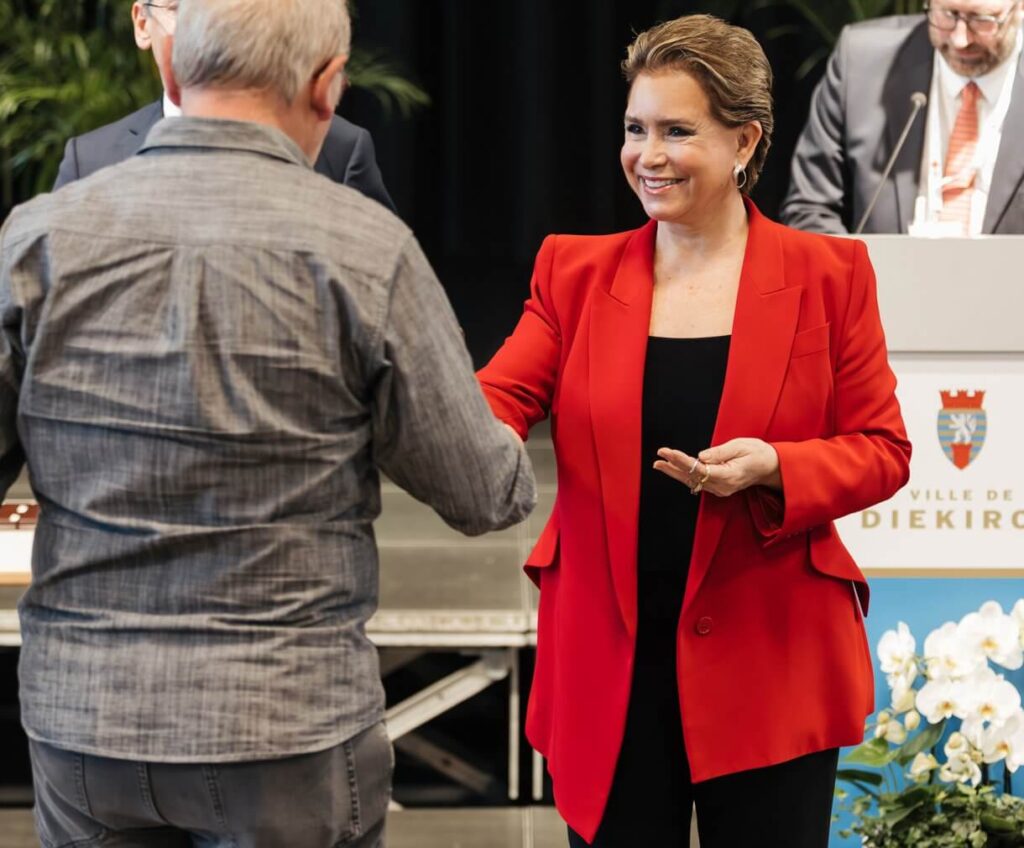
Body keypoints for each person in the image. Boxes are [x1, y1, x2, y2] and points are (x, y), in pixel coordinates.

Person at [0, 0, 535, 845]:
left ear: (175, 69)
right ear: (327, 88)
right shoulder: (367, 250)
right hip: (284, 726)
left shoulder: (35, 239)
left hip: (83, 724)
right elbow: (483, 493)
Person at [478, 14, 911, 848]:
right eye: (636, 129)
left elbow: (882, 451)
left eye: (678, 131)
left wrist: (776, 465)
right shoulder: (571, 272)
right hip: (611, 664)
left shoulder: (831, 276)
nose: (648, 155)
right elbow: (493, 402)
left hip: (772, 660)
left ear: (745, 140)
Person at [53, 0, 396, 212]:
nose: (201, 31)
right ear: (143, 24)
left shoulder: (342, 147)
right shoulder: (89, 159)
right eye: (181, 9)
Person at [781, 0, 1024, 235]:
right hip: (879, 274)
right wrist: (858, 274)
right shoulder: (860, 61)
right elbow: (810, 209)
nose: (960, 39)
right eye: (947, 14)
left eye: (982, 20)